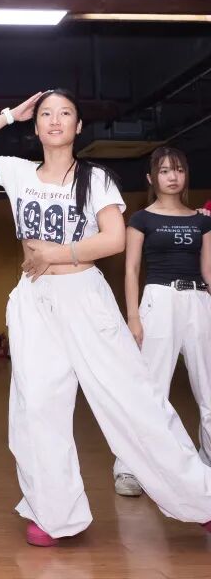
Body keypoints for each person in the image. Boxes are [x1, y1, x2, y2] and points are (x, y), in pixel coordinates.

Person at [0, 89, 211, 547]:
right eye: (46, 114)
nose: (55, 120)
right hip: (34, 301)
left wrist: (57, 253)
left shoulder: (96, 178)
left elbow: (113, 239)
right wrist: (10, 115)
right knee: (38, 409)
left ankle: (201, 499)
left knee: (135, 401)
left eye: (65, 113)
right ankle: (55, 514)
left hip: (85, 296)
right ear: (36, 126)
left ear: (78, 127)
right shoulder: (19, 172)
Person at [113, 147, 211, 497]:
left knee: (209, 389)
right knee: (150, 390)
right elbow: (131, 270)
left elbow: (208, 272)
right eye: (165, 170)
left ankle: (208, 463)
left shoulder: (202, 221)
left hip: (198, 301)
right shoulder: (141, 219)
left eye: (179, 170)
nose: (173, 176)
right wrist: (133, 318)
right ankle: (129, 468)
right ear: (151, 178)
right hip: (158, 300)